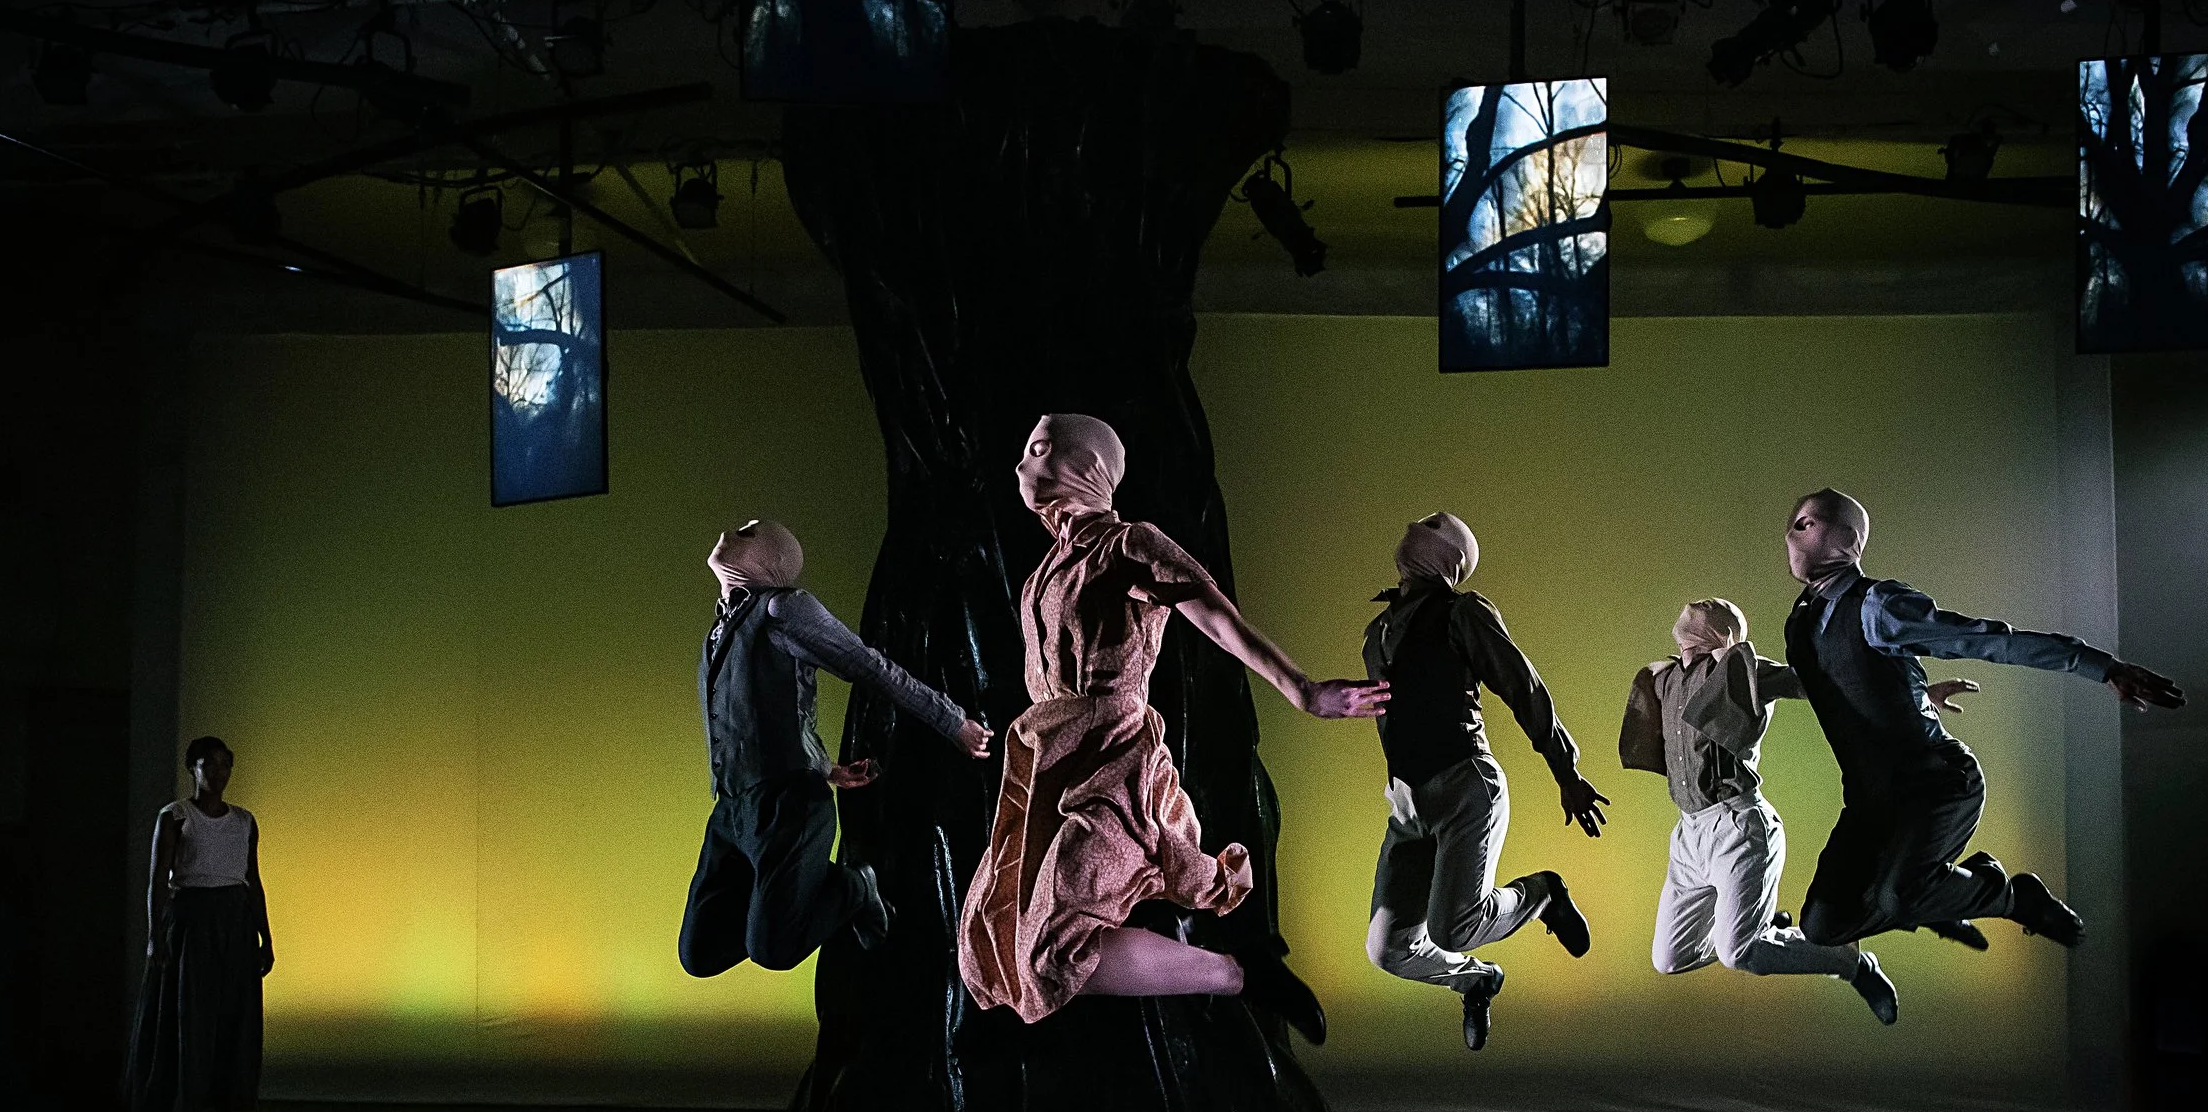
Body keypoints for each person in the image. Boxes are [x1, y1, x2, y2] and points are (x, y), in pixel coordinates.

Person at [957, 413, 1386, 1044]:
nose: (1022, 465)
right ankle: (1227, 971)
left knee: (1051, 944)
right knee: (990, 939)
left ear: (1088, 469)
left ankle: (1239, 975)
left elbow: (1214, 615)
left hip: (1109, 753)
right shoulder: (1042, 572)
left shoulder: (1128, 544)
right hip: (1048, 755)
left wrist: (1302, 688)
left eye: (1041, 450)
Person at [1782, 487, 2184, 948]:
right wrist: (1913, 695)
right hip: (1871, 801)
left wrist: (2102, 667)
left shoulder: (1878, 606)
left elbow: (1989, 640)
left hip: (1936, 783)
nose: (1790, 533)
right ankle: (1943, 896)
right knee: (1822, 927)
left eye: (1805, 522)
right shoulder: (1801, 621)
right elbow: (1834, 683)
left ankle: (2011, 897)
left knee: (1897, 898)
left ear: (1846, 539)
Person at [682, 517, 993, 978]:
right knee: (700, 953)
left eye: (751, 530)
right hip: (730, 810)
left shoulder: (784, 609)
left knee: (773, 950)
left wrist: (952, 723)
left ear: (771, 562)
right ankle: (795, 905)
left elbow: (872, 667)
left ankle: (855, 888)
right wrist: (825, 765)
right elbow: (763, 713)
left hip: (785, 807)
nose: (733, 529)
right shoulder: (720, 630)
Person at [1359, 511, 1608, 1052]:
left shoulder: (1461, 612)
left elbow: (1524, 687)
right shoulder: (1376, 631)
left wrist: (1565, 771)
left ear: (1448, 560)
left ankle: (1543, 894)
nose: (1414, 530)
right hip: (1406, 804)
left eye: (1431, 529)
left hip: (1464, 786)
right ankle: (1477, 979)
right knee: (1388, 949)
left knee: (1453, 928)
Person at [1620, 597, 1930, 1026]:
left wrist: (1912, 697)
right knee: (1669, 958)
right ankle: (1758, 923)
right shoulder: (1665, 679)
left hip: (1739, 827)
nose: (1706, 600)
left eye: (1719, 607)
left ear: (1723, 634)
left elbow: (1821, 684)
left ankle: (1850, 962)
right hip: (1689, 835)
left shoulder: (1740, 669)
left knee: (1739, 952)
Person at [127, 735, 272, 1112]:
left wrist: (265, 936)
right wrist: (156, 936)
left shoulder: (244, 821)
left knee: (231, 1016)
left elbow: (253, 881)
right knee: (185, 1011)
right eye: (210, 764)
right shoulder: (175, 816)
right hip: (192, 919)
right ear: (193, 769)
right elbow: (158, 880)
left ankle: (225, 1111)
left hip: (233, 921)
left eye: (226, 764)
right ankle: (176, 1106)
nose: (219, 772)